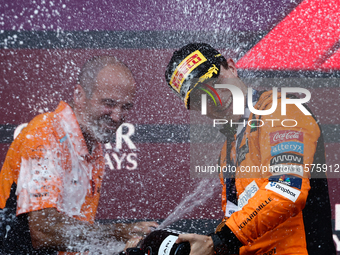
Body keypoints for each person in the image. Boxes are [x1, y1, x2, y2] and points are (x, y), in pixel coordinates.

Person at [163, 43, 336, 255]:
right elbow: (239, 221)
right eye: (200, 97)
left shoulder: (281, 111)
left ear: (231, 67)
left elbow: (287, 189)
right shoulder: (228, 150)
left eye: (214, 80)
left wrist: (218, 240)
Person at [0, 55, 158, 254]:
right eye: (108, 103)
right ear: (79, 95)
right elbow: (42, 231)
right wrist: (119, 233)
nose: (117, 116)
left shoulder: (93, 147)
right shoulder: (45, 132)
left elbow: (76, 237)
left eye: (125, 107)